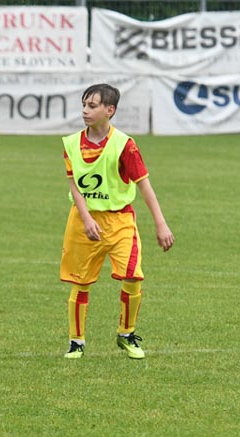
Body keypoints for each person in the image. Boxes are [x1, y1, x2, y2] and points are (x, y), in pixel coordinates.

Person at [60, 83, 174, 360]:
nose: (85, 111)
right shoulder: (72, 144)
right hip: (83, 221)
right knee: (80, 281)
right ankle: (76, 342)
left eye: (92, 106)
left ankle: (126, 334)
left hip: (120, 220)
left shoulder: (125, 145)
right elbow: (74, 185)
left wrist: (160, 223)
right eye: (84, 105)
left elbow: (144, 185)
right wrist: (87, 218)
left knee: (133, 275)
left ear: (109, 110)